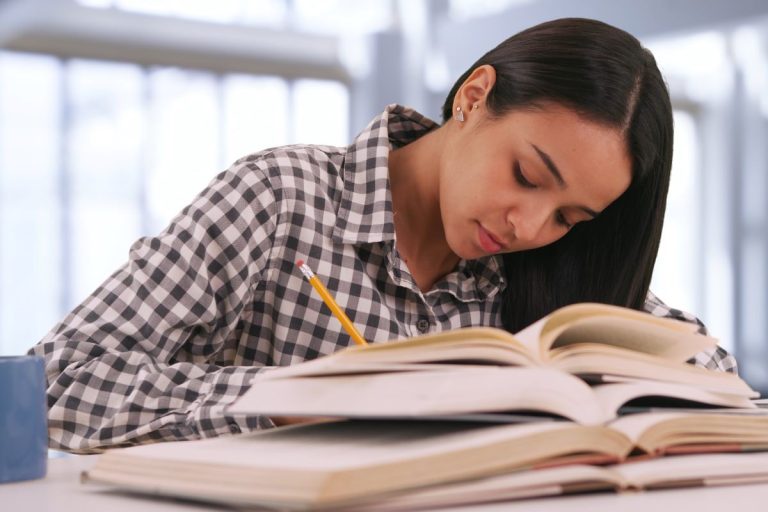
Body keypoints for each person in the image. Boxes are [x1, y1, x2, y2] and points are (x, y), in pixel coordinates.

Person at [30, 17, 737, 454]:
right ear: (473, 96)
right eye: (526, 174)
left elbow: (713, 376)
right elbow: (53, 385)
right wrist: (288, 399)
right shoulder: (283, 200)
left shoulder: (551, 276)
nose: (529, 226)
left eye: (568, 218)